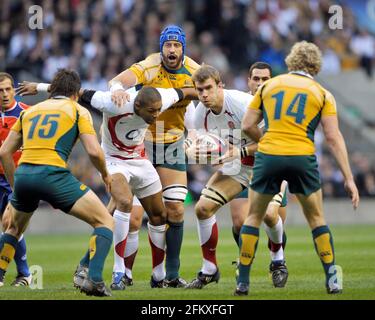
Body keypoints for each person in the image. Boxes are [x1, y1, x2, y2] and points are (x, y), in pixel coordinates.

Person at [17, 81, 196, 289]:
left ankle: (158, 275)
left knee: (159, 215)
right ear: (137, 107)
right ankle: (118, 272)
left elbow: (188, 92)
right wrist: (38, 87)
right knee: (124, 201)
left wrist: (215, 93)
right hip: (113, 161)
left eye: (158, 110)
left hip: (140, 159)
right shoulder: (111, 102)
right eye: (152, 111)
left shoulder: (163, 97)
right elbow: (75, 91)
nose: (157, 115)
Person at [236, 41, 360, 296]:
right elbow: (334, 137)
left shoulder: (269, 85)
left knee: (253, 217)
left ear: (291, 61)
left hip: (268, 156)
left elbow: (247, 124)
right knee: (316, 219)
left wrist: (266, 140)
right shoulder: (322, 93)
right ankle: (332, 279)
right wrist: (349, 178)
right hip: (302, 157)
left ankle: (243, 282)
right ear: (316, 65)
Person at [0, 69, 114, 297]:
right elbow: (94, 151)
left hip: (24, 175)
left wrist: (15, 188)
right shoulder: (78, 110)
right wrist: (106, 175)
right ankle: (94, 279)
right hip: (53, 175)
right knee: (105, 221)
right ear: (74, 93)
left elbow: (4, 152)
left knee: (13, 227)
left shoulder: (31, 111)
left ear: (52, 90)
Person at [109, 25, 200, 287]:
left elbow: (206, 97)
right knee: (134, 216)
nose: (172, 50)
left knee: (176, 211)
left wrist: (194, 133)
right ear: (161, 47)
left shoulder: (194, 72)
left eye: (177, 45)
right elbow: (118, 80)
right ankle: (124, 273)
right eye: (167, 45)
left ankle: (167, 276)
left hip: (172, 144)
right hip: (143, 144)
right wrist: (116, 88)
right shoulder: (149, 66)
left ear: (183, 48)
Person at [184, 65, 288, 289]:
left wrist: (234, 152)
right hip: (239, 166)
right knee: (202, 208)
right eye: (199, 90)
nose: (204, 95)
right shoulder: (200, 114)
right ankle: (209, 269)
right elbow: (214, 150)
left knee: (270, 214)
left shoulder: (242, 104)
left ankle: (278, 260)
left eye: (208, 88)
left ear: (220, 86)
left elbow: (270, 143)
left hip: (269, 163)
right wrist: (203, 153)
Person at [0, 72, 31, 287]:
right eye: (0, 90)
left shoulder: (28, 114)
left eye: (8, 89)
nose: (4, 94)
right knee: (11, 227)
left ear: (14, 90)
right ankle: (24, 274)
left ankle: (23, 274)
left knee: (9, 223)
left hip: (18, 179)